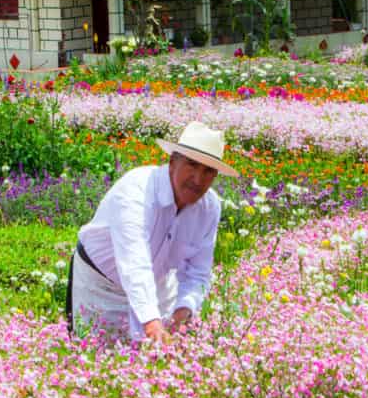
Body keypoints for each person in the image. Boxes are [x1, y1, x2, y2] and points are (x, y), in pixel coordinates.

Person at [66, 121, 239, 343]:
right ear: (172, 162)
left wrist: (182, 311)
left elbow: (198, 271)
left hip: (158, 286)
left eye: (208, 171)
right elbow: (134, 261)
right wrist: (151, 323)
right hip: (101, 286)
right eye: (192, 165)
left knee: (154, 364)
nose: (198, 179)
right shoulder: (136, 191)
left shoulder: (209, 207)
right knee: (95, 359)